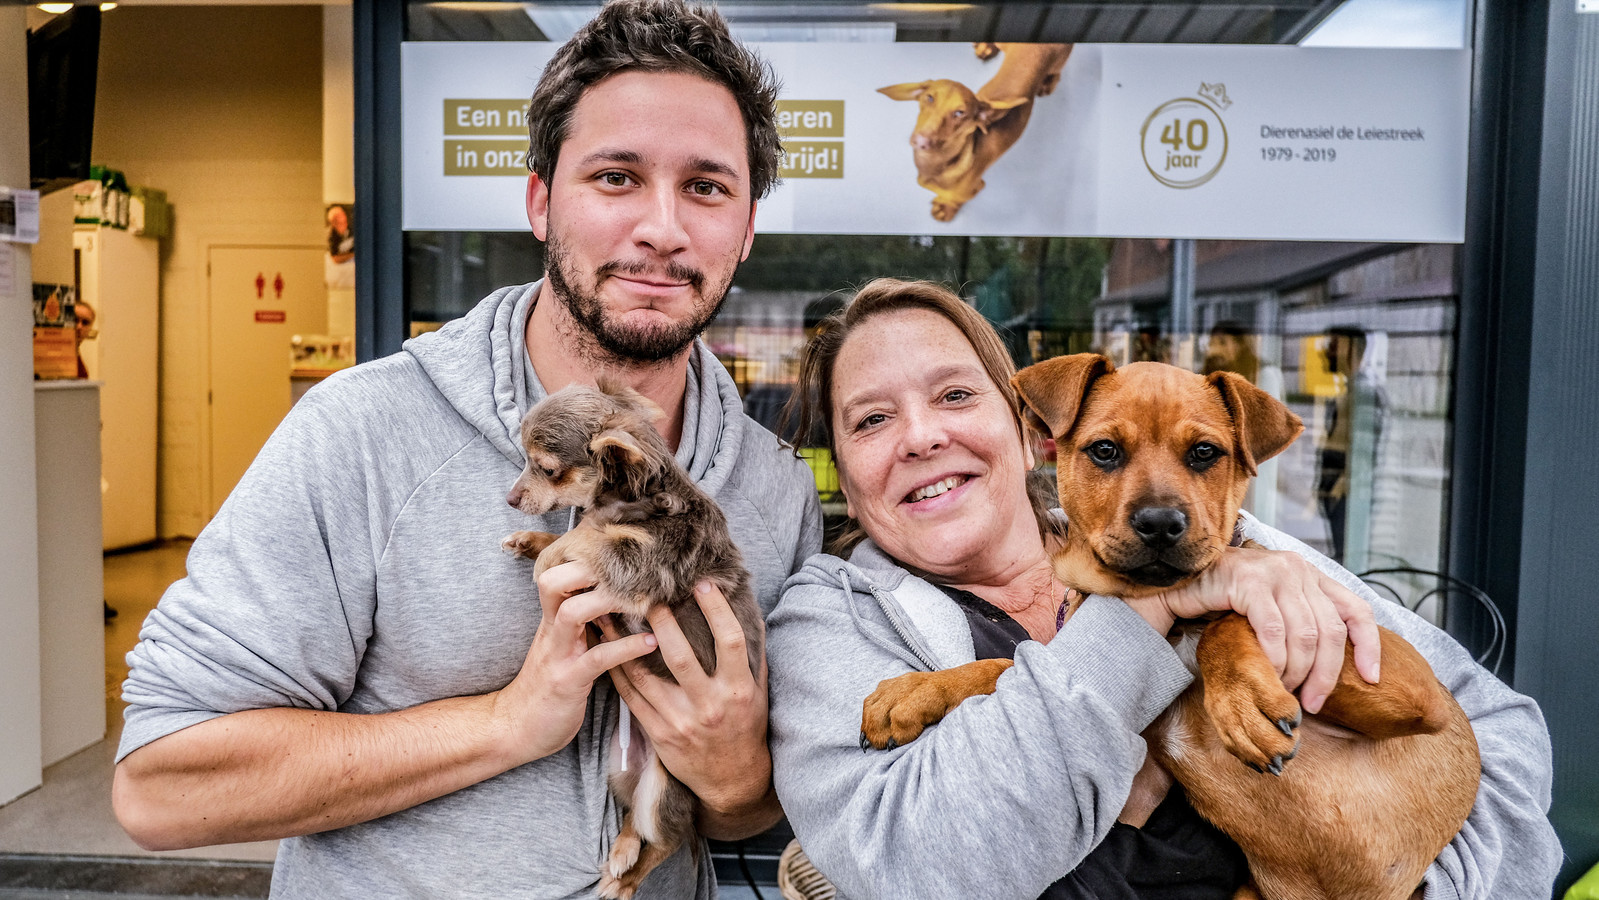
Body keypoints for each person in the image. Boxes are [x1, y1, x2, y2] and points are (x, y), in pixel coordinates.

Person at [112, 3, 821, 897]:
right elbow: (160, 788)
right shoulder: (361, 433)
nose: (662, 227)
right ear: (538, 201)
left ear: (747, 226)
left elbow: (752, 809)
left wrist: (733, 774)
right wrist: (509, 722)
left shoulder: (772, 485)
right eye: (615, 177)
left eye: (707, 188)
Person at [766, 278, 1559, 899]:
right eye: (870, 420)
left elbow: (1486, 729)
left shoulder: (1252, 552)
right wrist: (1166, 604)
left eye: (955, 394)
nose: (922, 434)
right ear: (835, 457)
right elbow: (917, 873)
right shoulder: (829, 623)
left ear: (1026, 428)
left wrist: (1430, 887)